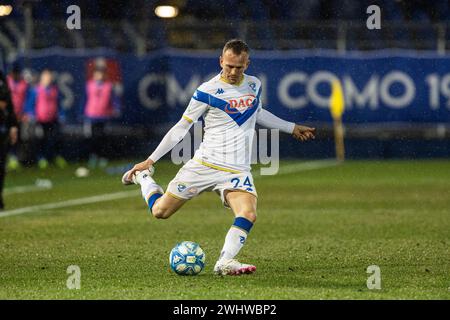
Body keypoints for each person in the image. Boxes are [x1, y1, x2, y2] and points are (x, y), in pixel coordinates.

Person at [122, 39, 315, 275]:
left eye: (239, 67)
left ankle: (224, 262)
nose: (233, 72)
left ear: (247, 64)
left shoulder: (255, 85)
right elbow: (182, 127)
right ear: (221, 61)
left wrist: (291, 126)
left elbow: (259, 112)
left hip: (236, 170)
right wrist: (150, 160)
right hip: (204, 164)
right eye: (229, 66)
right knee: (161, 212)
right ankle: (143, 178)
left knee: (248, 213)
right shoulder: (206, 91)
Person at [25, 69, 66, 169]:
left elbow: (59, 105)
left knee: (53, 138)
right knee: (41, 139)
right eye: (46, 76)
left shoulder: (54, 90)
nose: (48, 79)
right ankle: (41, 158)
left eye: (49, 77)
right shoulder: (36, 90)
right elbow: (29, 105)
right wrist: (31, 115)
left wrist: (61, 115)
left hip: (52, 119)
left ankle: (54, 157)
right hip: (40, 120)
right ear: (42, 78)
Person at [83, 63, 121, 168]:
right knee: (93, 138)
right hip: (91, 115)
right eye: (97, 74)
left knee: (103, 138)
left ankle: (103, 157)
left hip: (104, 115)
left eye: (101, 74)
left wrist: (116, 108)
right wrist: (82, 113)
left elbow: (114, 100)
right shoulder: (89, 85)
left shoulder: (108, 86)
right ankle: (93, 157)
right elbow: (84, 99)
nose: (99, 76)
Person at [0, 70, 18, 210]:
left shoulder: (1, 76)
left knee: (1, 166)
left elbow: (9, 103)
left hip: (2, 130)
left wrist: (13, 126)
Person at [6, 63, 28, 170]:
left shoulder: (23, 83)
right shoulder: (6, 82)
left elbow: (26, 100)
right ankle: (8, 158)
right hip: (7, 115)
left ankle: (16, 158)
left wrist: (24, 113)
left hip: (19, 115)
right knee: (7, 137)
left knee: (18, 138)